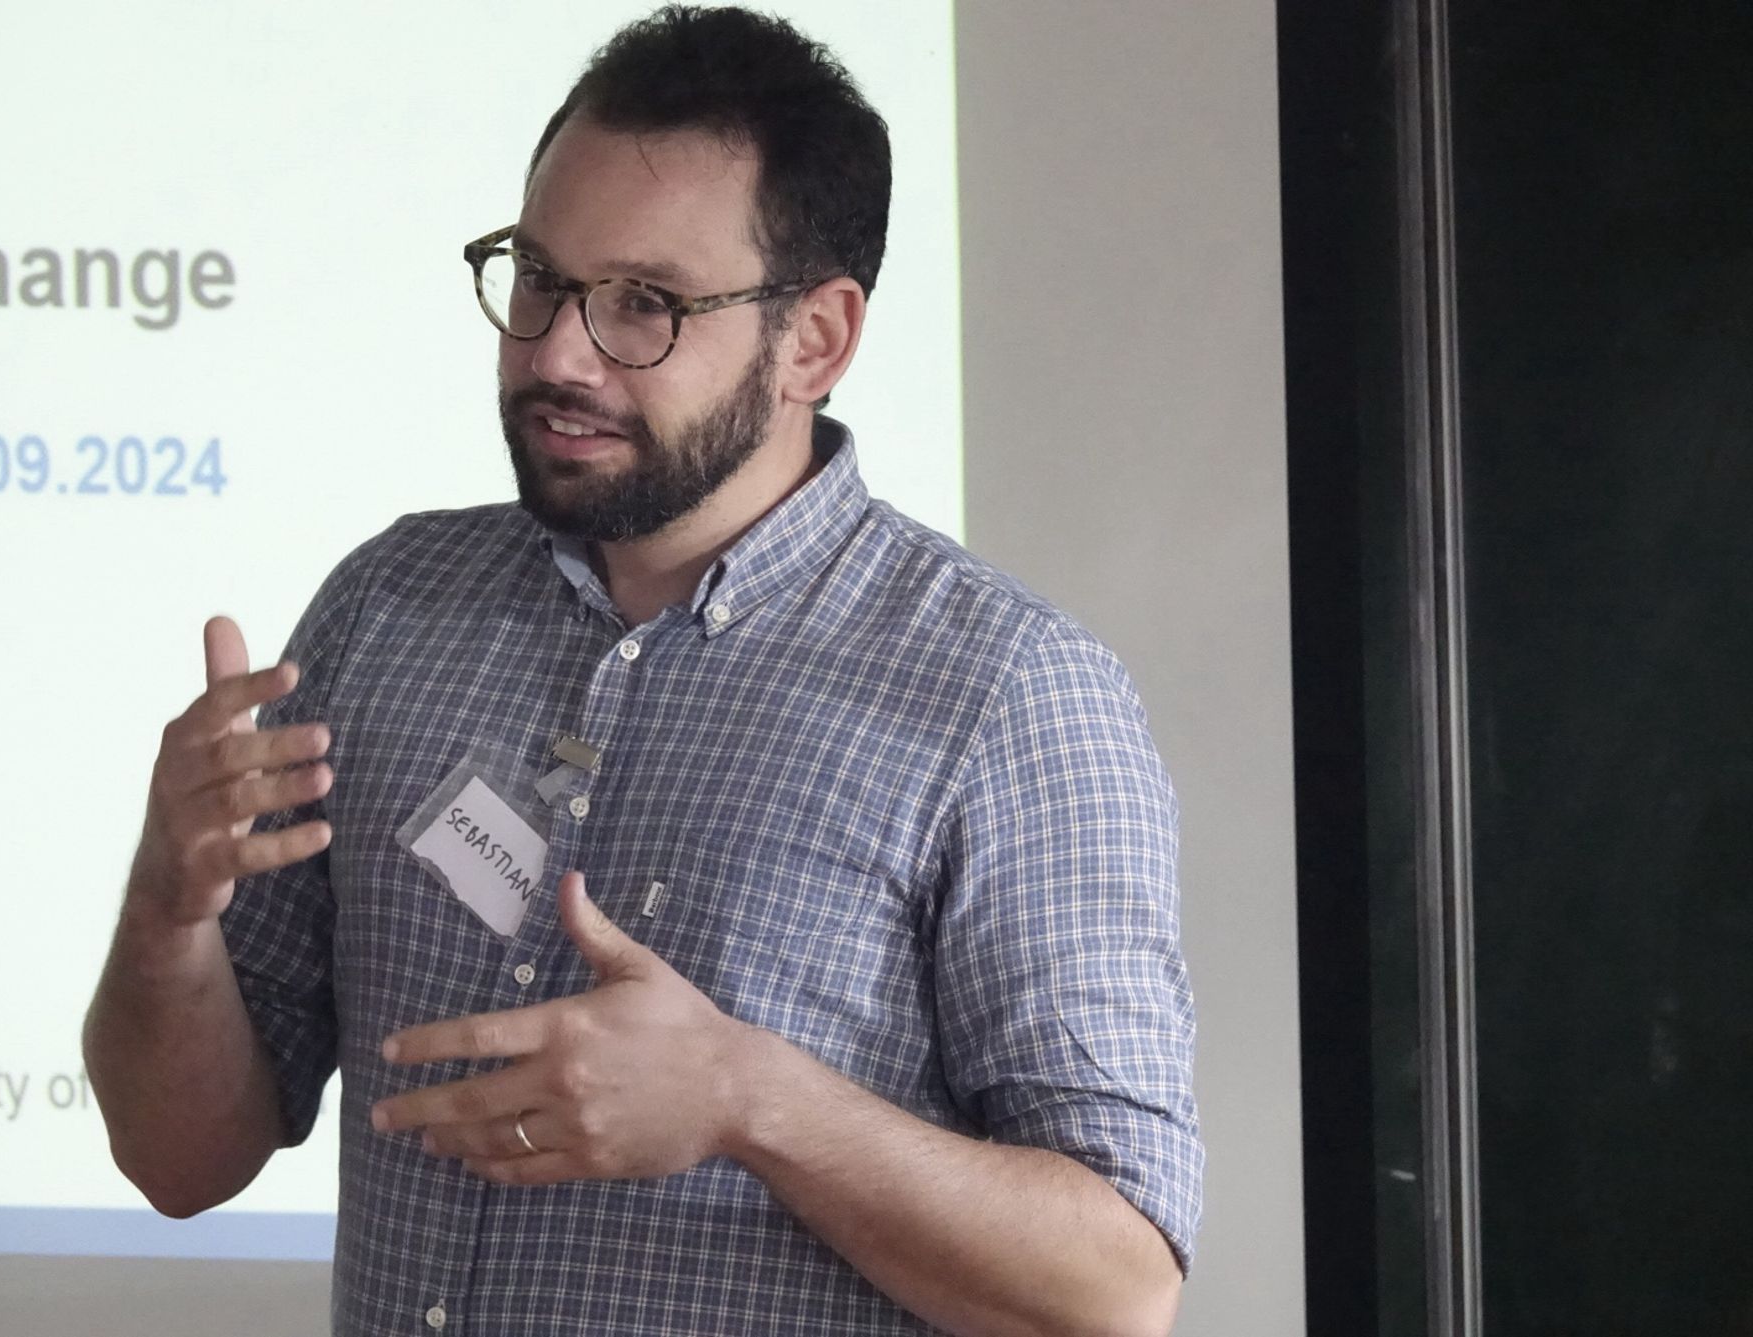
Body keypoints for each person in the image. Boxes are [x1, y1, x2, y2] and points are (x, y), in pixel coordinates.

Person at [83, 7, 1201, 1334]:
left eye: (642, 306)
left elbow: (1117, 1284)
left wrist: (747, 1098)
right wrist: (167, 901)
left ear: (816, 341)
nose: (558, 351)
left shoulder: (1007, 693)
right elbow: (179, 1158)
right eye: (540, 279)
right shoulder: (387, 609)